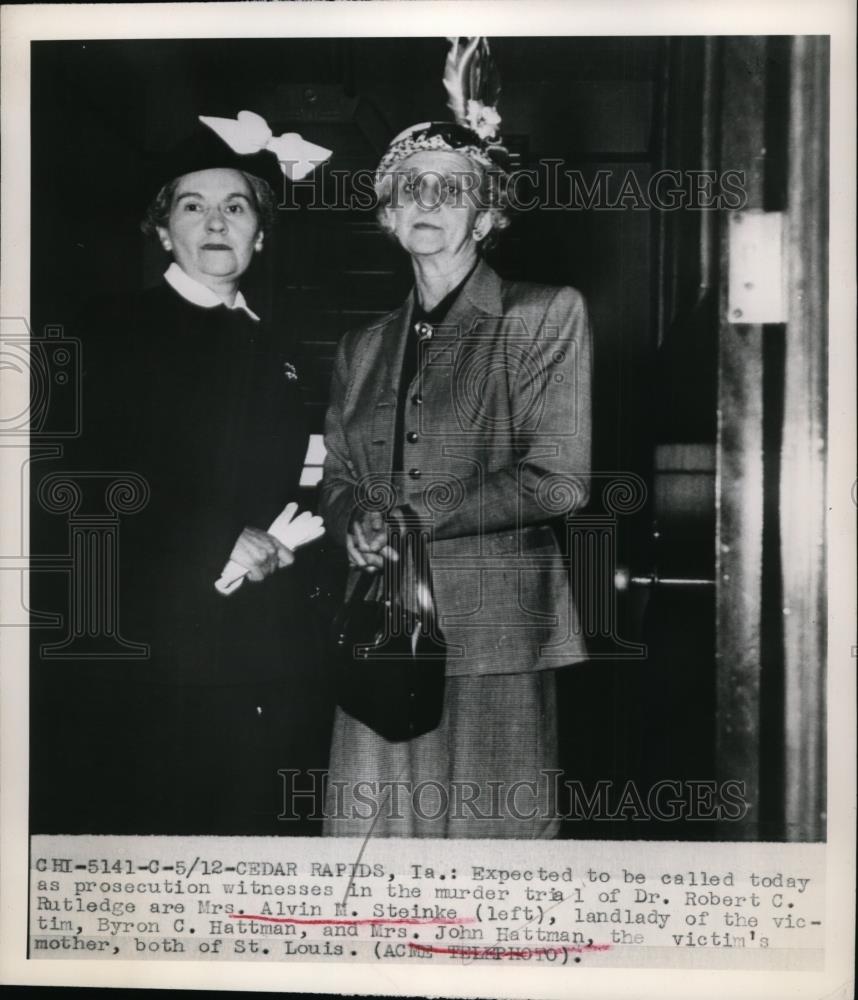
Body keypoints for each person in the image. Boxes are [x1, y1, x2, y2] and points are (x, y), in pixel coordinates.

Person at [320, 41, 593, 838]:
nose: (428, 200)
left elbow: (559, 479)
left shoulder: (545, 314)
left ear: (488, 211)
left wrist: (414, 515)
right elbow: (338, 476)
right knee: (371, 852)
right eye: (410, 187)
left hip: (499, 635)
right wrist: (355, 520)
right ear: (386, 212)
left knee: (490, 859)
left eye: (453, 187)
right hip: (379, 635)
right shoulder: (362, 346)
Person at [48, 124, 330, 835]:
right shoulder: (108, 330)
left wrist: (288, 538)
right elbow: (76, 484)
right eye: (193, 206)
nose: (215, 222)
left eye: (237, 208)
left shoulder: (280, 350)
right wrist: (214, 539)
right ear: (163, 231)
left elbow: (296, 475)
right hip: (147, 645)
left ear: (260, 236)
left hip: (259, 640)